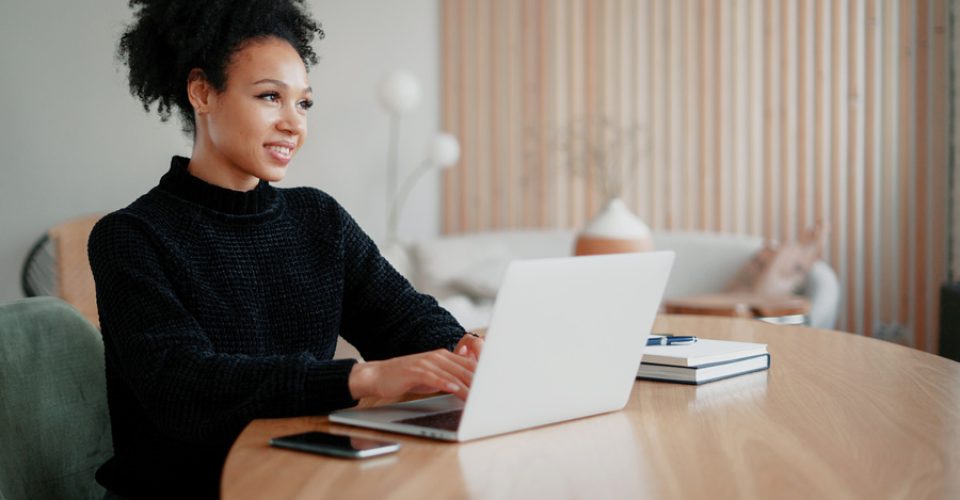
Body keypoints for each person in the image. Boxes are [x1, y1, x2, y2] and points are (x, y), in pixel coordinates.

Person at [88, 1, 482, 497]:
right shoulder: (130, 236)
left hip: (302, 475)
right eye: (270, 97)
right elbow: (181, 386)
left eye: (304, 103)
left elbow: (405, 321)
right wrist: (361, 379)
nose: (294, 124)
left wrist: (461, 350)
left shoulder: (318, 218)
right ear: (202, 92)